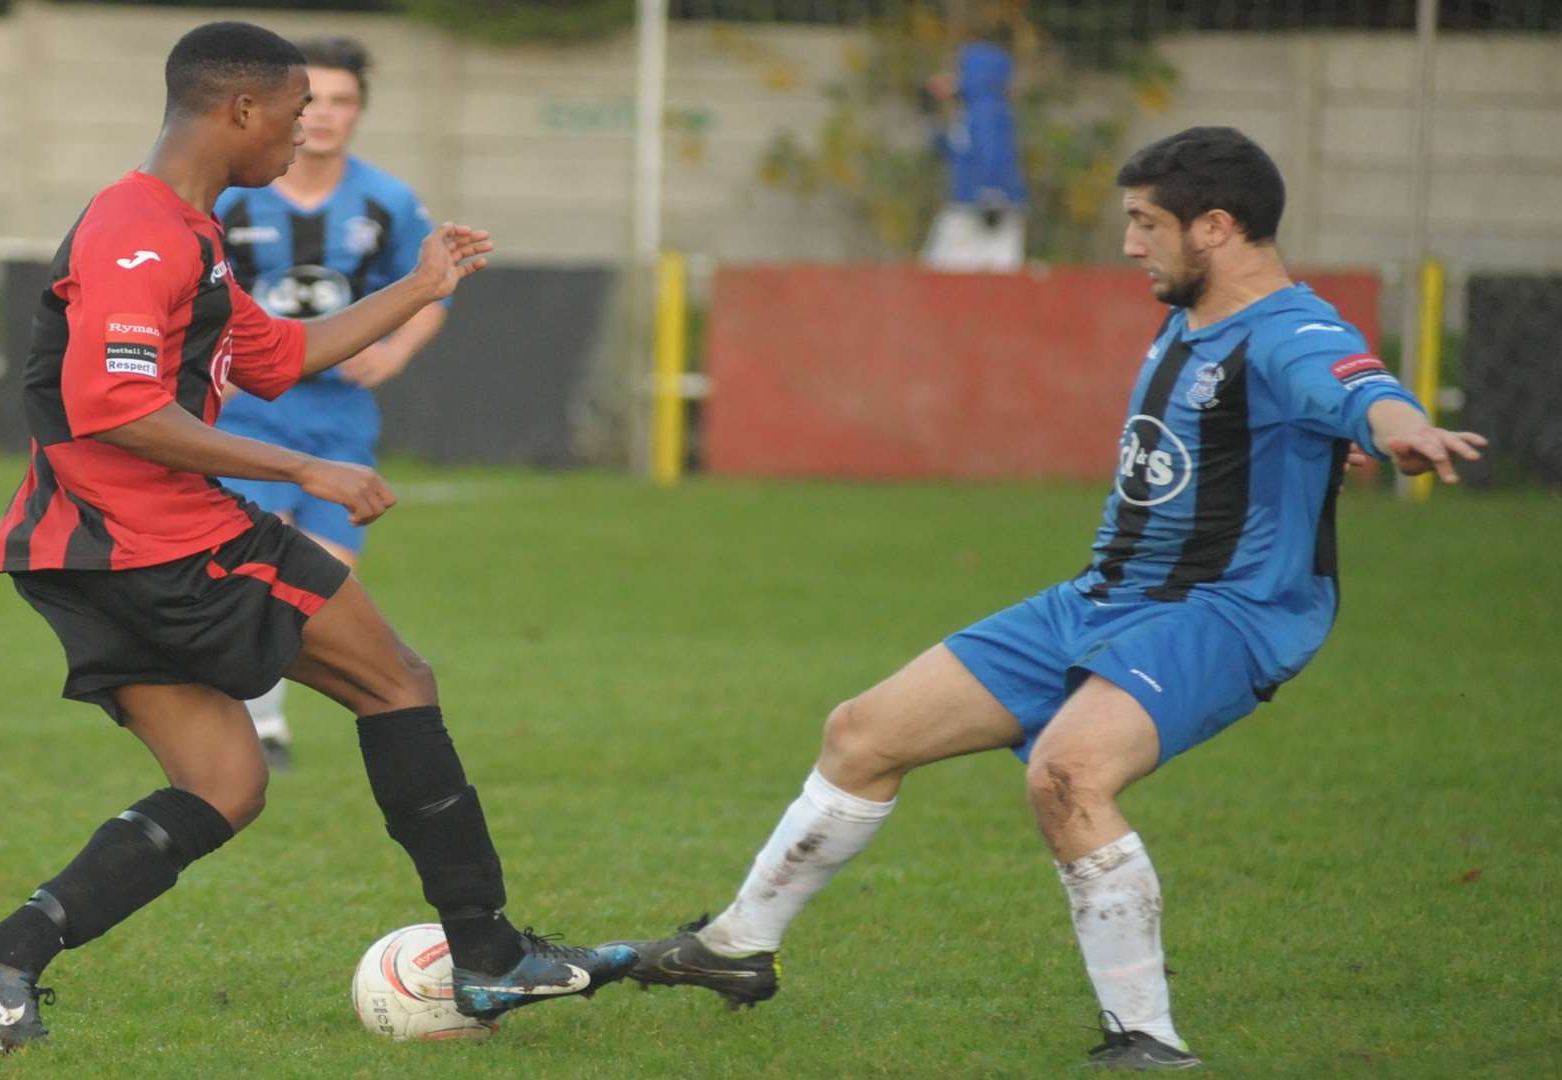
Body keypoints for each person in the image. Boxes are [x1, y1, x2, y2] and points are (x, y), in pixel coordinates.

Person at [612, 127, 1486, 1070]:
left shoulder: (1292, 327)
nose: (1129, 244)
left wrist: (1398, 429)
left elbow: (1355, 383)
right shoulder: (1194, 312)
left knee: (1068, 777)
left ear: (1218, 227)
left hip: (1225, 613)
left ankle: (1147, 1041)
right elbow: (1265, 428)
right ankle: (736, 948)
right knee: (863, 733)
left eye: (1146, 223)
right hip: (1102, 595)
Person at [0, 22, 633, 1053]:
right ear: (240, 110)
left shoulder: (190, 232)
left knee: (225, 784)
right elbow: (113, 405)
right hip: (158, 538)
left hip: (86, 557)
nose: (304, 136)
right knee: (397, 681)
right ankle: (486, 952)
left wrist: (422, 286)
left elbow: (278, 357)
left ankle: (2, 956)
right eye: (296, 115)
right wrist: (303, 468)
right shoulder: (139, 230)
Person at [214, 36, 448, 771]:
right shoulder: (229, 195)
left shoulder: (386, 201)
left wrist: (396, 349)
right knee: (250, 567)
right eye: (312, 99)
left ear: (359, 113)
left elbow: (428, 290)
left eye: (343, 101)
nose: (325, 115)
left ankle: (261, 711)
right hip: (248, 412)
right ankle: (263, 726)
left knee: (320, 576)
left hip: (338, 417)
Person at [919, 34, 1027, 272]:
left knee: (943, 270)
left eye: (961, 69)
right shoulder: (969, 111)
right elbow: (957, 152)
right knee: (993, 275)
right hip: (974, 202)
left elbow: (994, 152)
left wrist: (993, 193)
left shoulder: (986, 109)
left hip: (981, 206)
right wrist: (932, 118)